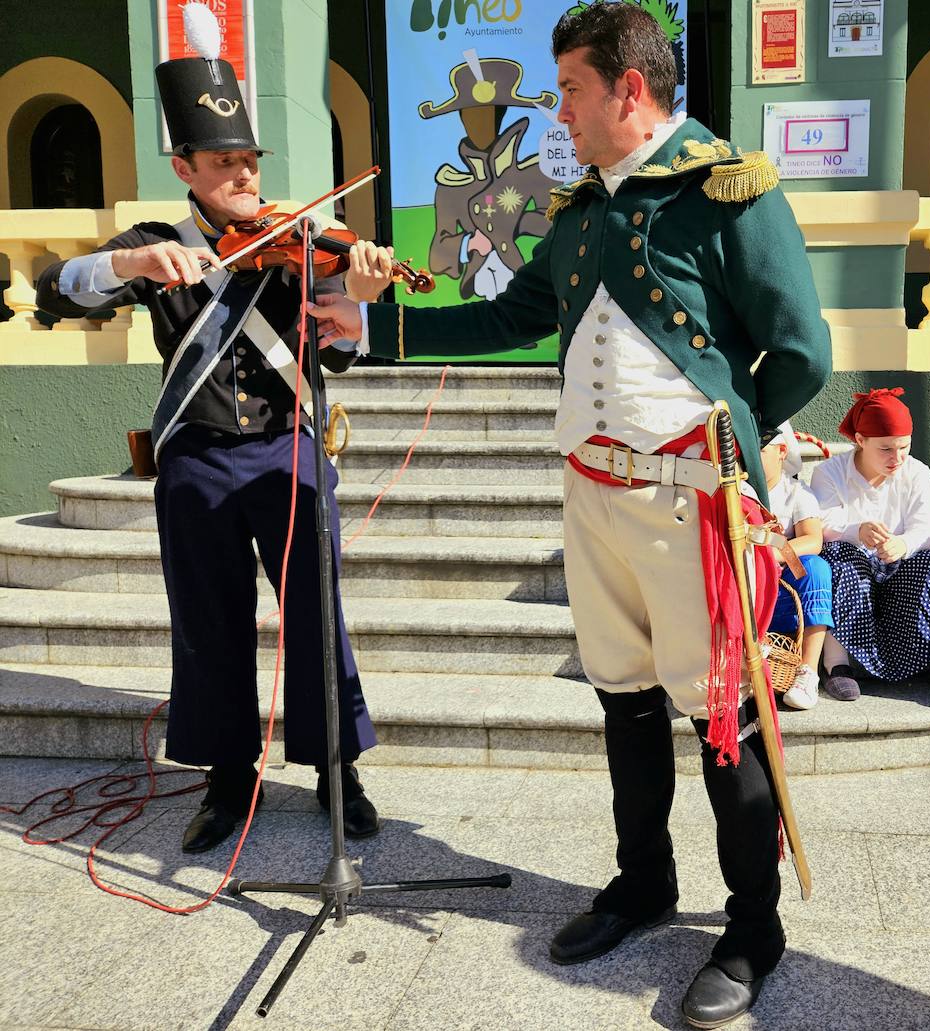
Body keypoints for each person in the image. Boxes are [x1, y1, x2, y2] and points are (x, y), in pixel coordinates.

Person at [308, 5, 831, 1025]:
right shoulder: (584, 208)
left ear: (629, 91)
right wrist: (371, 326)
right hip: (590, 490)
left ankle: (754, 924)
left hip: (691, 499)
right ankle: (645, 883)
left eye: (571, 90)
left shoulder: (729, 194)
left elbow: (801, 347)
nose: (560, 112)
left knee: (722, 712)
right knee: (623, 697)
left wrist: (728, 437)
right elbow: (513, 314)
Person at [34, 21, 393, 853]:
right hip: (193, 457)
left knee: (316, 612)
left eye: (251, 162)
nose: (244, 176)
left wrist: (362, 301)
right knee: (208, 618)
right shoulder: (154, 247)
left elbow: (345, 343)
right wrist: (130, 267)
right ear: (185, 169)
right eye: (225, 163)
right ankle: (230, 777)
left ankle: (338, 770)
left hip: (287, 446)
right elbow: (57, 288)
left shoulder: (302, 236)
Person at [807, 388, 930, 701]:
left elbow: (928, 530)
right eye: (885, 449)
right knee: (839, 558)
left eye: (903, 447)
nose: (896, 458)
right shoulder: (828, 473)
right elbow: (822, 524)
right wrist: (858, 530)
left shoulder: (918, 473)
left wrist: (902, 544)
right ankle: (836, 663)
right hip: (857, 568)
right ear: (860, 440)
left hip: (900, 570)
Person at [760, 425, 831, 711]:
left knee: (815, 568)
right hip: (742, 581)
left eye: (761, 450)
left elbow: (813, 540)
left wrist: (774, 551)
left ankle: (807, 672)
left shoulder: (795, 491)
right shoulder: (735, 487)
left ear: (781, 452)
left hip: (780, 586)